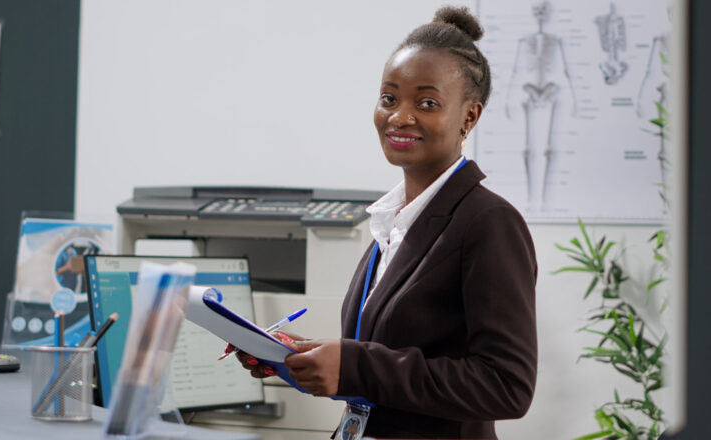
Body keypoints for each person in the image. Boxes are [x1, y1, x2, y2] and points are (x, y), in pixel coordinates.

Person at [227, 7, 538, 439]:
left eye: (426, 103)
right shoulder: (393, 221)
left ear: (469, 117)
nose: (399, 116)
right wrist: (297, 356)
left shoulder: (488, 222)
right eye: (390, 98)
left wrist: (354, 365)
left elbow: (507, 387)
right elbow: (381, 358)